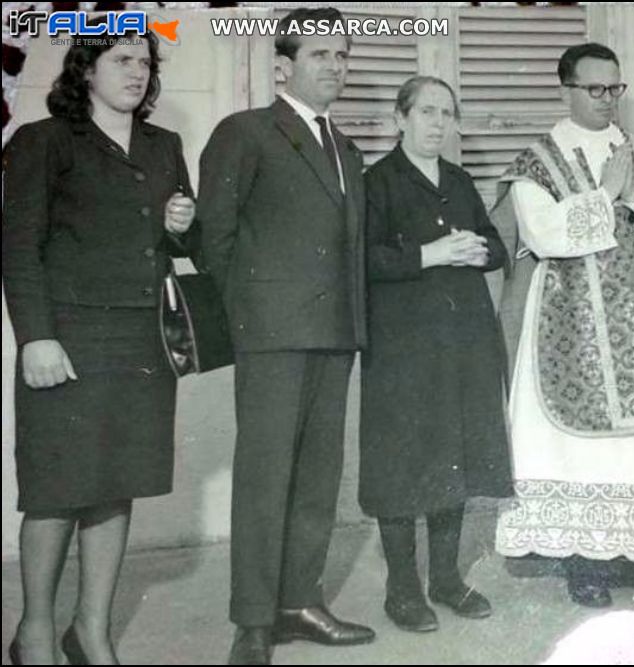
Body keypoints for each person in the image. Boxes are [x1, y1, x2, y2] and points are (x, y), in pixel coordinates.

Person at [2, 30, 196, 665]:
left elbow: (176, 246)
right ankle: (33, 634)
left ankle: (90, 632)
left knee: (117, 484)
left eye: (145, 62)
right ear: (86, 70)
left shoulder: (164, 146)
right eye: (122, 61)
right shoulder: (43, 141)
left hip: (140, 340)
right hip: (68, 339)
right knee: (58, 489)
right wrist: (36, 338)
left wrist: (183, 227)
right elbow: (20, 248)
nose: (137, 73)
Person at [492, 42, 634, 608]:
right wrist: (607, 193)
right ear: (566, 88)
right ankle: (586, 560)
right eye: (595, 89)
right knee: (580, 443)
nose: (608, 100)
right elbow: (542, 235)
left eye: (615, 89)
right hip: (571, 315)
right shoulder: (538, 160)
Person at [198, 7, 374, 664]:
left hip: (335, 334)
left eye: (342, 55)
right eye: (320, 54)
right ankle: (252, 620)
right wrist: (248, 318)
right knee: (265, 476)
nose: (335, 65)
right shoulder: (244, 132)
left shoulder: (346, 146)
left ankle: (299, 601)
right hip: (272, 334)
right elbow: (213, 237)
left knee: (316, 479)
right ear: (283, 67)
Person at [359, 76, 513, 632]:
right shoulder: (375, 181)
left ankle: (445, 580)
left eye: (447, 113)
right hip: (402, 347)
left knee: (456, 458)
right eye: (426, 112)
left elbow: (496, 246)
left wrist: (476, 252)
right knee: (401, 465)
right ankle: (402, 590)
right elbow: (362, 260)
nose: (438, 123)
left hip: (464, 341)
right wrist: (430, 253)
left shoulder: (458, 178)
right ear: (400, 119)